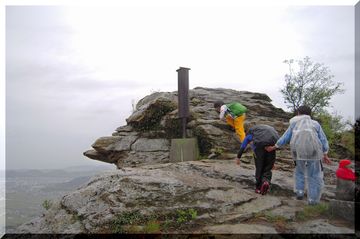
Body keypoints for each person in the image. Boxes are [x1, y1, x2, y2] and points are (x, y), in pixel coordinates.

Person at [265, 105, 331, 205]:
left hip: (297, 151)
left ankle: (300, 192)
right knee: (313, 175)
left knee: (299, 171)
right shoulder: (315, 124)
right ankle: (312, 200)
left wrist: (274, 147)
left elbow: (285, 137)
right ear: (309, 114)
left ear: (299, 113)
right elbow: (323, 139)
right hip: (313, 152)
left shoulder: (294, 123)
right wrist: (325, 153)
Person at [236, 124, 279, 195]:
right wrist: (272, 163)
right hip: (271, 148)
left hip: (259, 151)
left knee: (259, 168)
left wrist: (238, 158)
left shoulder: (249, 135)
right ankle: (266, 182)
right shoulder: (267, 134)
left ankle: (258, 188)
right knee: (268, 168)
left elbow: (243, 147)